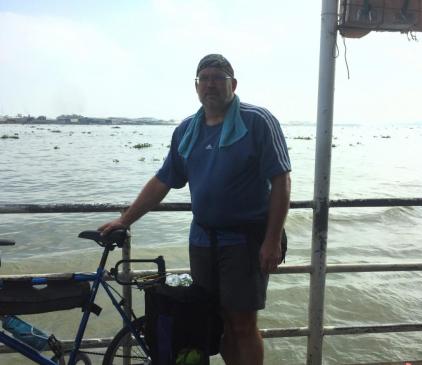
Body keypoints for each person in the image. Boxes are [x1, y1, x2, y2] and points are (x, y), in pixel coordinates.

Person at [99, 54, 291, 365]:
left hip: (245, 241)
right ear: (196, 86)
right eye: (205, 78)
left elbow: (281, 181)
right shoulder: (187, 130)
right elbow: (164, 180)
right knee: (214, 321)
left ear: (234, 84)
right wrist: (125, 219)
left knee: (242, 324)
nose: (211, 84)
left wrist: (271, 241)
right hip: (202, 241)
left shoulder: (257, 120)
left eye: (219, 77)